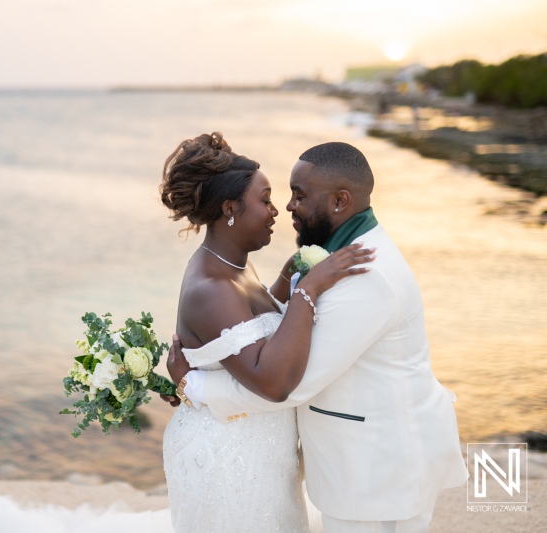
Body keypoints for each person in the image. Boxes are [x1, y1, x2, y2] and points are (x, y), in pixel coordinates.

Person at [166, 141, 468, 533]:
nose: (286, 208)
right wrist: (298, 288)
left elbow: (289, 384)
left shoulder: (363, 275)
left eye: (298, 196)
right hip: (276, 459)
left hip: (377, 473)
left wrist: (196, 386)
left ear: (340, 201)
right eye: (272, 198)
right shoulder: (338, 258)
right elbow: (251, 338)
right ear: (229, 210)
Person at [160, 133, 374, 533]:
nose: (277, 210)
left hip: (259, 450)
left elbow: (249, 325)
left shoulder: (234, 265)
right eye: (265, 199)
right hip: (229, 458)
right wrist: (309, 290)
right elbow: (271, 382)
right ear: (230, 209)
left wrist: (284, 282)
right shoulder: (212, 288)